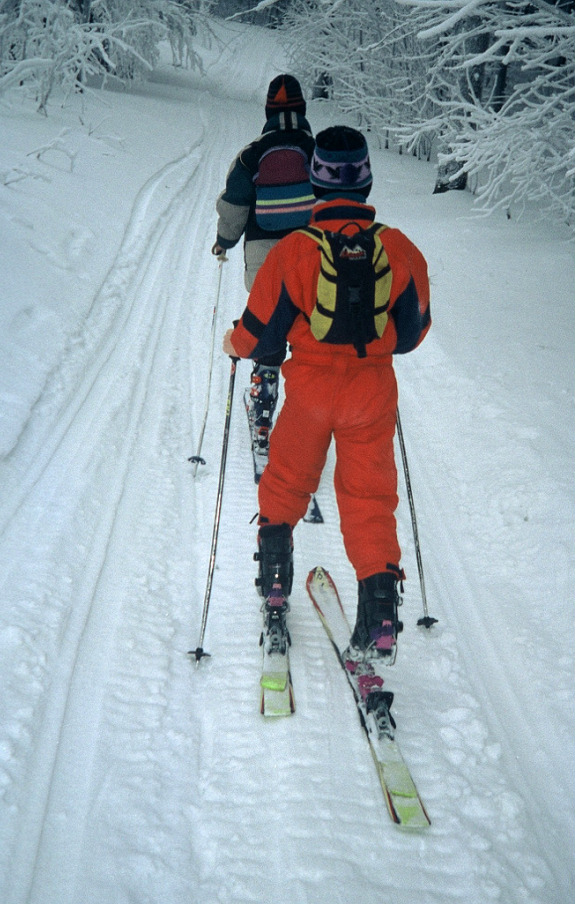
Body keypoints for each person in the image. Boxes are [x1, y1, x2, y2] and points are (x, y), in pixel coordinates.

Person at [222, 125, 431, 662]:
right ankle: (380, 612)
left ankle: (273, 583)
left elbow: (259, 337)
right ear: (365, 181)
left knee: (287, 482)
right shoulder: (400, 249)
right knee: (368, 501)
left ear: (316, 181)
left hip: (311, 394)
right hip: (371, 394)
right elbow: (411, 335)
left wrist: (232, 340)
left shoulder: (294, 251)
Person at [212, 74, 315, 461]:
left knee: (269, 328)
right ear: (302, 109)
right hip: (311, 257)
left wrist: (224, 241)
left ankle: (262, 409)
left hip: (264, 258)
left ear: (268, 110)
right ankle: (307, 417)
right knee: (306, 331)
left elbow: (235, 205)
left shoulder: (252, 154)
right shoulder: (316, 149)